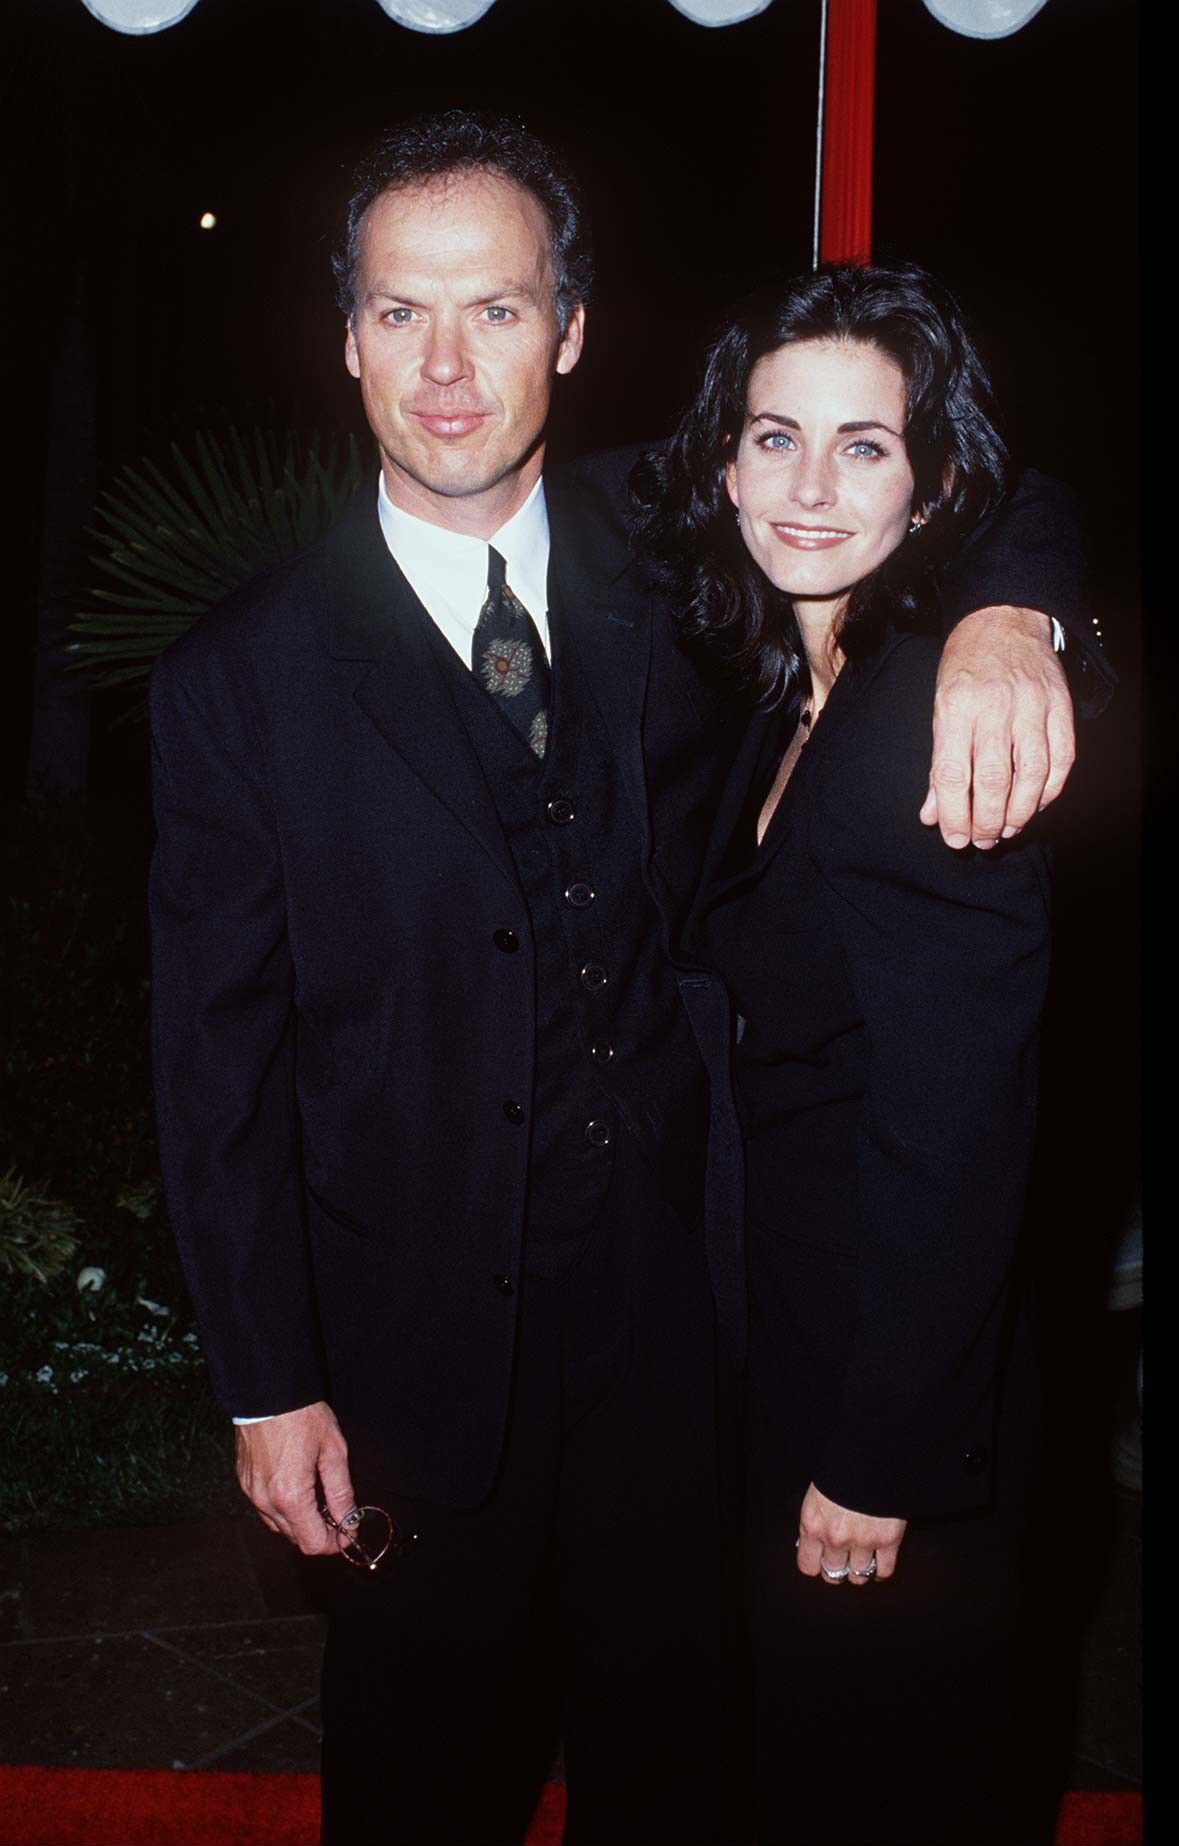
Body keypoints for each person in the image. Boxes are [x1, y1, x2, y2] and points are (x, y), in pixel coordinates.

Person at [148, 111, 1105, 1846]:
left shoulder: (680, 548)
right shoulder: (239, 679)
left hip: (693, 1359)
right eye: (399, 314)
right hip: (411, 1382)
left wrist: (1010, 620)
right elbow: (215, 1063)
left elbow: (957, 477)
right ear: (343, 335)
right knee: (416, 1781)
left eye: (497, 311)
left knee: (687, 1781)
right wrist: (264, 1376)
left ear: (572, 330)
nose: (448, 367)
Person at [636, 260, 1101, 1844]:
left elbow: (959, 1122)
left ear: (938, 480)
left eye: (866, 446)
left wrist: (880, 1454)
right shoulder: (801, 696)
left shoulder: (931, 717)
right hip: (795, 1343)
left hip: (888, 1397)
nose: (811, 486)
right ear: (724, 464)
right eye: (775, 438)